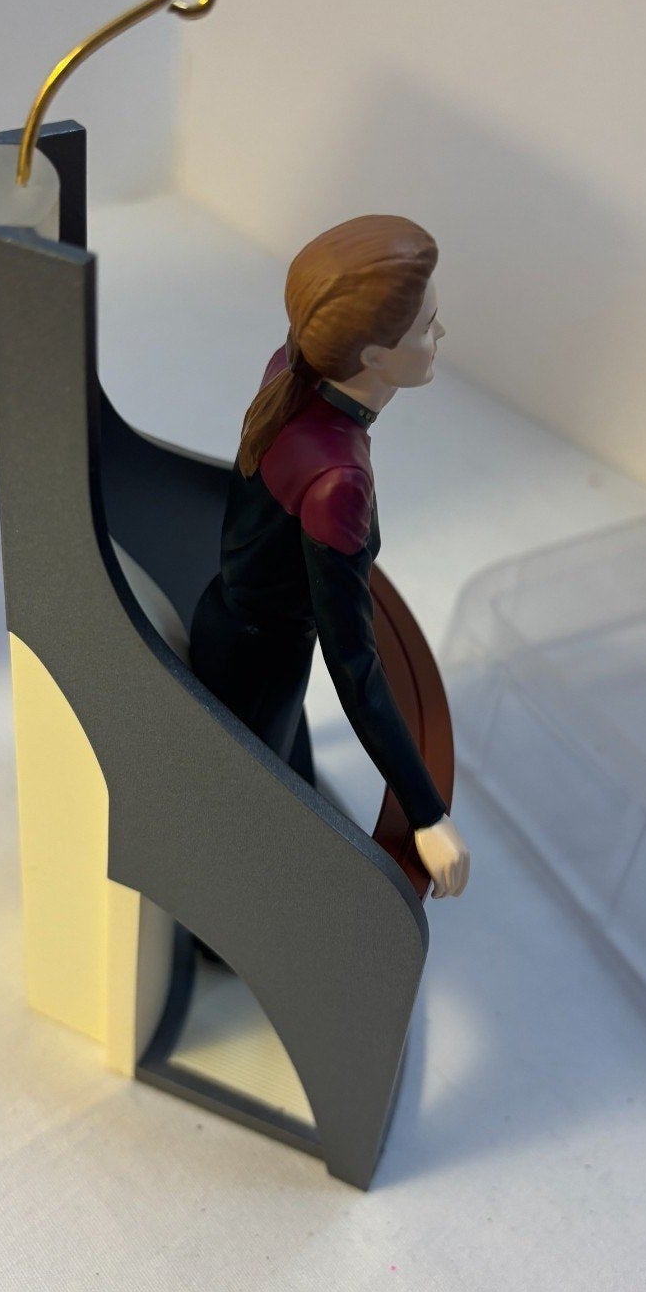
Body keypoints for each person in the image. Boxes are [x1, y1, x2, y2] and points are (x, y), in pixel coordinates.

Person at [189, 215, 471, 899]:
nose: (440, 335)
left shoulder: (291, 367)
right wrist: (427, 813)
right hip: (259, 670)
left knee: (281, 786)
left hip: (231, 626)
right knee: (244, 838)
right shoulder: (338, 480)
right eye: (425, 326)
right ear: (373, 356)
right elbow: (354, 665)